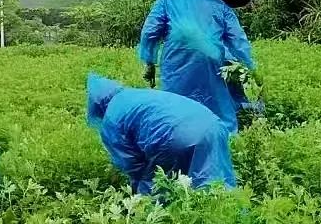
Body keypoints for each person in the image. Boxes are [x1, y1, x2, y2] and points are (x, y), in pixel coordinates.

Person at [138, 0, 255, 133]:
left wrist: (149, 62)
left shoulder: (167, 1)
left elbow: (150, 32)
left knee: (174, 109)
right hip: (213, 63)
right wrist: (249, 69)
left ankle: (177, 142)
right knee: (218, 110)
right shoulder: (221, 6)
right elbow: (238, 41)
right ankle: (224, 142)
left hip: (175, 61)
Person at [86, 74, 236, 196]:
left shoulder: (111, 119)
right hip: (213, 125)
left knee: (160, 190)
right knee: (219, 184)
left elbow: (132, 164)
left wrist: (138, 191)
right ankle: (236, 223)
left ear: (97, 107)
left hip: (176, 137)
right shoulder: (137, 94)